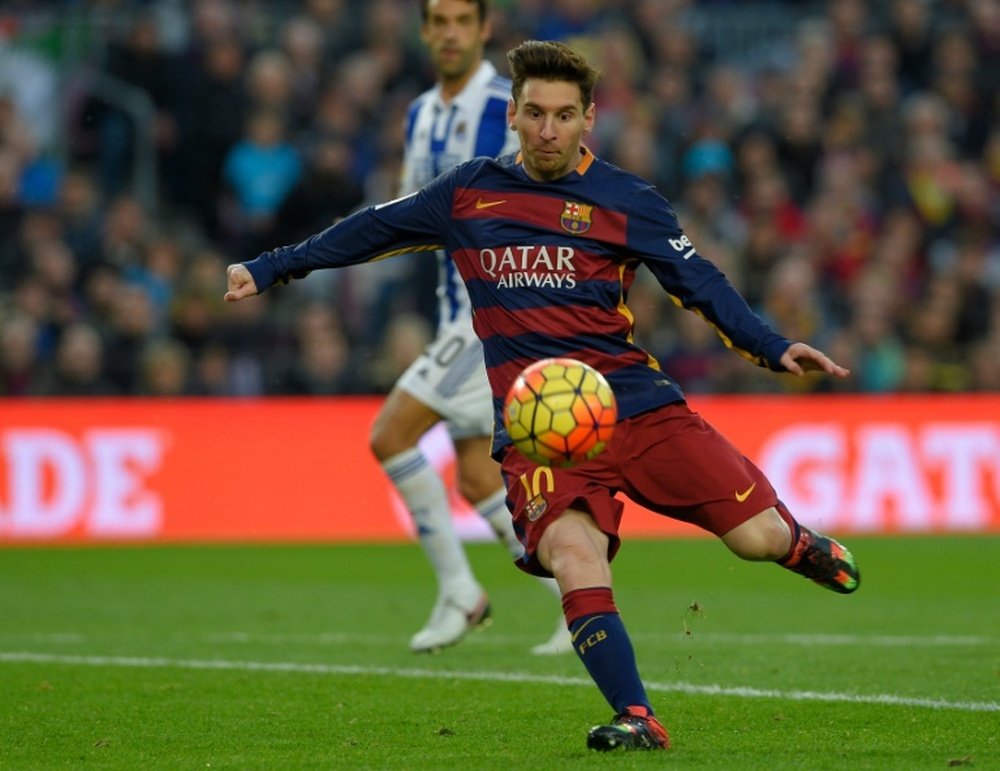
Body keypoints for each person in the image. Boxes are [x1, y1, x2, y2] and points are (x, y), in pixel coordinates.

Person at [225, 40, 861, 752]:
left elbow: (700, 283)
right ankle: (638, 715)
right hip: (542, 432)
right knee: (573, 554)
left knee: (757, 538)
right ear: (514, 116)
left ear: (589, 118)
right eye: (534, 113)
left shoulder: (627, 199)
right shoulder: (467, 193)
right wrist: (271, 266)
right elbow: (370, 228)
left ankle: (800, 543)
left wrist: (773, 347)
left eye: (564, 115)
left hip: (638, 406)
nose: (549, 129)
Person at [383, 0, 574, 655]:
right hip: (450, 311)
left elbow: (540, 195)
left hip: (492, 314)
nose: (451, 32)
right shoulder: (418, 113)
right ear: (425, 30)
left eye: (463, 19)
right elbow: (412, 213)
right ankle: (576, 599)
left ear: (485, 28)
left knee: (391, 435)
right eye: (439, 20)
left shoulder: (508, 106)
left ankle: (461, 590)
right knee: (476, 477)